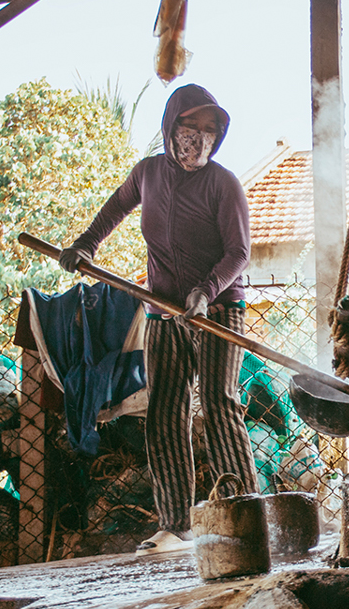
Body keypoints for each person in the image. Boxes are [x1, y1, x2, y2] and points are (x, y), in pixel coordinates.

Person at [61, 83, 259, 555]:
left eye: (211, 130)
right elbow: (115, 210)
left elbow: (240, 252)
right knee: (166, 410)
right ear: (172, 126)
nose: (201, 138)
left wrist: (206, 292)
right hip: (162, 312)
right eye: (193, 126)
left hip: (218, 311)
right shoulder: (148, 174)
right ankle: (176, 524)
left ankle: (245, 514)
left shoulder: (222, 183)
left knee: (218, 402)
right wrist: (86, 244)